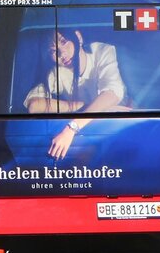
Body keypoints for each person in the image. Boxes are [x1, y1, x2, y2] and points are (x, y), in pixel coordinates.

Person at [24, 28, 127, 161]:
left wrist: (71, 128)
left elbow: (112, 94)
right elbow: (33, 105)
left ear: (78, 37)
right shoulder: (57, 72)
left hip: (120, 126)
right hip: (86, 135)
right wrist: (83, 106)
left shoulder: (101, 51)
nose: (62, 53)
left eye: (64, 42)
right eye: (53, 51)